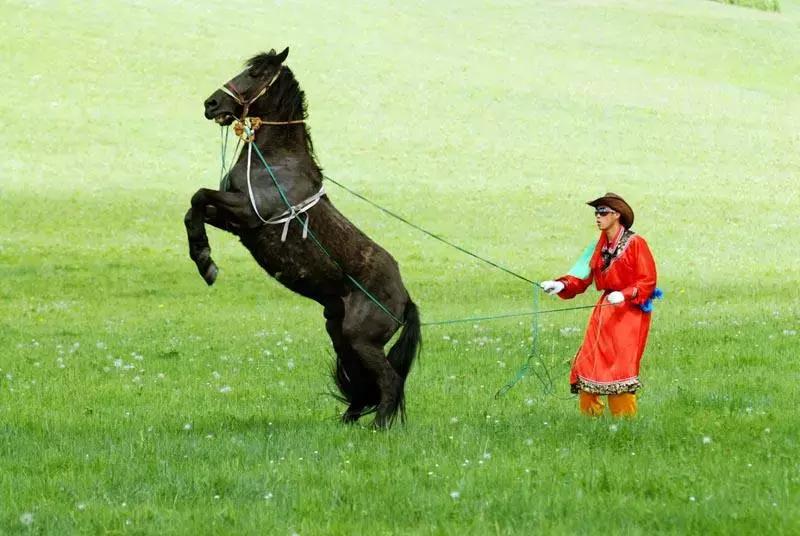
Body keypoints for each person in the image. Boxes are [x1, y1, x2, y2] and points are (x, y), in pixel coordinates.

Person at [540, 193, 657, 417]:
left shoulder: (636, 244)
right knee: (589, 361)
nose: (598, 216)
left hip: (629, 312)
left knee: (620, 365)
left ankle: (624, 423)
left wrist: (624, 295)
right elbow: (581, 275)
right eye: (596, 212)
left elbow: (647, 281)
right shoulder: (598, 246)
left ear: (617, 215)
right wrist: (561, 285)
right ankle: (590, 419)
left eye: (603, 212)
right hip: (604, 310)